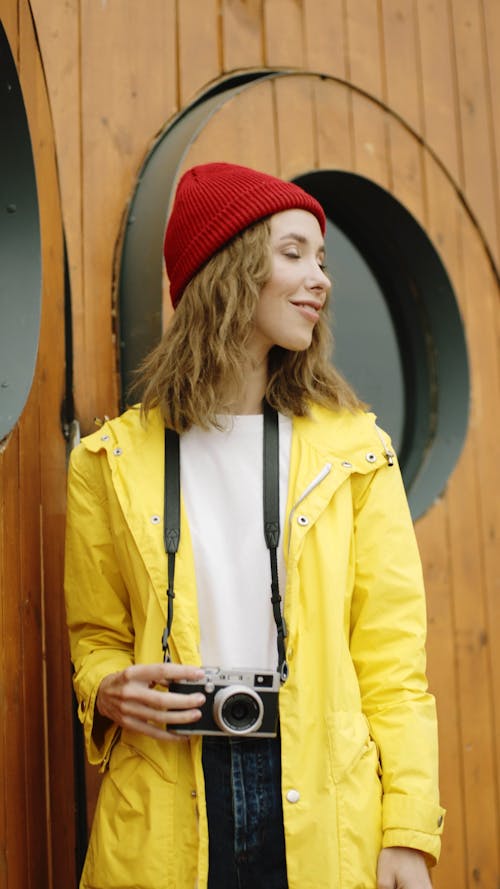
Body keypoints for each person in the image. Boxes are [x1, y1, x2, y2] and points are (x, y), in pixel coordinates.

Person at [65, 162, 445, 889]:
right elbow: (97, 636)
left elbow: (394, 667)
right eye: (293, 252)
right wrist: (107, 685)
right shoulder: (109, 462)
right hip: (167, 790)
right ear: (228, 268)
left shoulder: (356, 455)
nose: (321, 279)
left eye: (323, 259)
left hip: (323, 795)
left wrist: (406, 830)